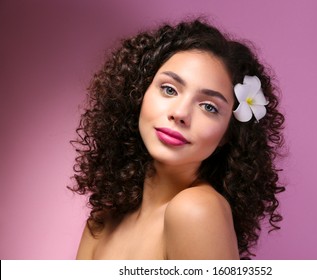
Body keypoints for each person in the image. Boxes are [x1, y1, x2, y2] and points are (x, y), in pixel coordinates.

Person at [70, 18, 285, 260]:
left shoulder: (196, 210)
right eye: (169, 89)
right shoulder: (102, 221)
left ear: (227, 134)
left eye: (209, 107)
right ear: (139, 93)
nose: (181, 113)